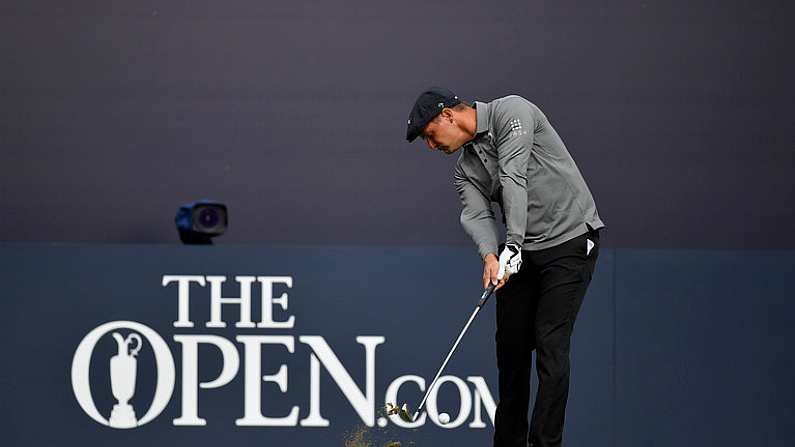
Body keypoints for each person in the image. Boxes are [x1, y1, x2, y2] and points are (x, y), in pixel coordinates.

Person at [405, 87, 605, 447]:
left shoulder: (512, 111)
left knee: (549, 341)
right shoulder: (464, 170)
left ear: (448, 116)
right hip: (521, 251)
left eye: (430, 137)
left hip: (570, 241)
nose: (431, 147)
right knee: (510, 346)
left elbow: (514, 176)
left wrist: (512, 242)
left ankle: (545, 443)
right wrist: (490, 256)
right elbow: (477, 214)